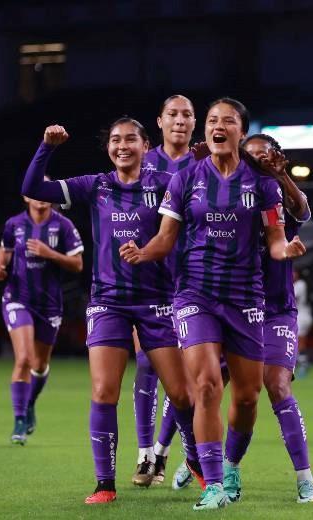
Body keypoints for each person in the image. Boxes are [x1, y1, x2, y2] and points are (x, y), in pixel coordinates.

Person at [120, 97, 306, 510]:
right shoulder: (185, 178)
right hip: (194, 296)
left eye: (228, 121)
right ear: (207, 131)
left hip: (245, 298)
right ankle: (213, 485)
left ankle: (232, 464)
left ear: (241, 130)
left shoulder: (263, 185)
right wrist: (144, 252)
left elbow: (274, 242)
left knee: (246, 398)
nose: (218, 126)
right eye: (212, 121)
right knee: (205, 385)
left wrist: (286, 250)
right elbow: (167, 237)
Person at [21, 120, 201, 505]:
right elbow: (33, 188)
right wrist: (46, 146)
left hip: (158, 301)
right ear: (108, 149)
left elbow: (195, 204)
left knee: (182, 394)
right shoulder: (96, 185)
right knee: (104, 391)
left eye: (130, 139)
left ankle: (198, 462)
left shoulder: (164, 182)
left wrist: (199, 164)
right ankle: (105, 484)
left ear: (145, 144)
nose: (122, 146)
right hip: (108, 302)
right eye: (115, 140)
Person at [242, 133, 313, 503]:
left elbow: (303, 211)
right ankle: (197, 461)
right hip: (233, 307)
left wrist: (283, 177)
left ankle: (305, 477)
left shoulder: (278, 201)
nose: (258, 162)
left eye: (264, 156)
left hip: (275, 309)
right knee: (202, 388)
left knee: (277, 386)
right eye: (251, 157)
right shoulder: (229, 199)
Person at [133, 94, 198, 486]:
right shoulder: (141, 162)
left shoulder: (206, 165)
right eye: (172, 114)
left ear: (195, 122)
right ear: (159, 121)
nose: (179, 120)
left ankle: (162, 449)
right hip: (149, 282)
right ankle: (145, 454)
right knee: (145, 363)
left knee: (183, 377)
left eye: (187, 114)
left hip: (192, 280)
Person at [0, 191, 84, 445]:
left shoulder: (63, 225)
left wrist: (49, 253)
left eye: (46, 191)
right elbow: (5, 252)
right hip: (17, 297)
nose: (41, 196)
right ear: (25, 197)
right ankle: (19, 420)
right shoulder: (14, 224)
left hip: (49, 304)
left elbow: (77, 264)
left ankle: (30, 401)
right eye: (36, 191)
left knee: (39, 365)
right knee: (23, 358)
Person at [293, 268, 313, 378]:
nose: (292, 274)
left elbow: (293, 298)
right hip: (302, 315)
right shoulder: (296, 284)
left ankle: (304, 364)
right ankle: (301, 363)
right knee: (298, 342)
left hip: (302, 316)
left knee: (298, 342)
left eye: (294, 272)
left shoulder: (300, 284)